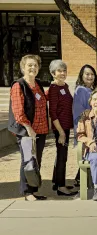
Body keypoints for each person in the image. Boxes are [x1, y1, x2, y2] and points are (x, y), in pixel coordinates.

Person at [8, 54, 48, 201]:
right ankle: (27, 192)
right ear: (23, 68)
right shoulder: (19, 85)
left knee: (36, 160)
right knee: (27, 160)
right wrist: (29, 128)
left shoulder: (37, 84)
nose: (33, 68)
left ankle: (34, 189)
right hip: (26, 131)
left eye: (35, 65)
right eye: (29, 65)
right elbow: (18, 111)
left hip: (41, 130)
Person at [48, 60, 77, 196]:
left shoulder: (64, 86)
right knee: (62, 156)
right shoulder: (53, 89)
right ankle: (61, 186)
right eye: (59, 71)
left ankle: (56, 182)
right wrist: (61, 133)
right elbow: (52, 112)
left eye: (64, 70)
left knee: (61, 154)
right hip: (60, 128)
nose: (62, 73)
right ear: (53, 73)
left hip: (65, 126)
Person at [72, 64, 97, 185]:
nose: (90, 76)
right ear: (82, 76)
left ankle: (81, 179)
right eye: (87, 74)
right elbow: (80, 112)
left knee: (89, 154)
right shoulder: (80, 90)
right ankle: (81, 180)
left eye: (92, 74)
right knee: (84, 154)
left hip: (93, 127)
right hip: (84, 127)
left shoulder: (92, 90)